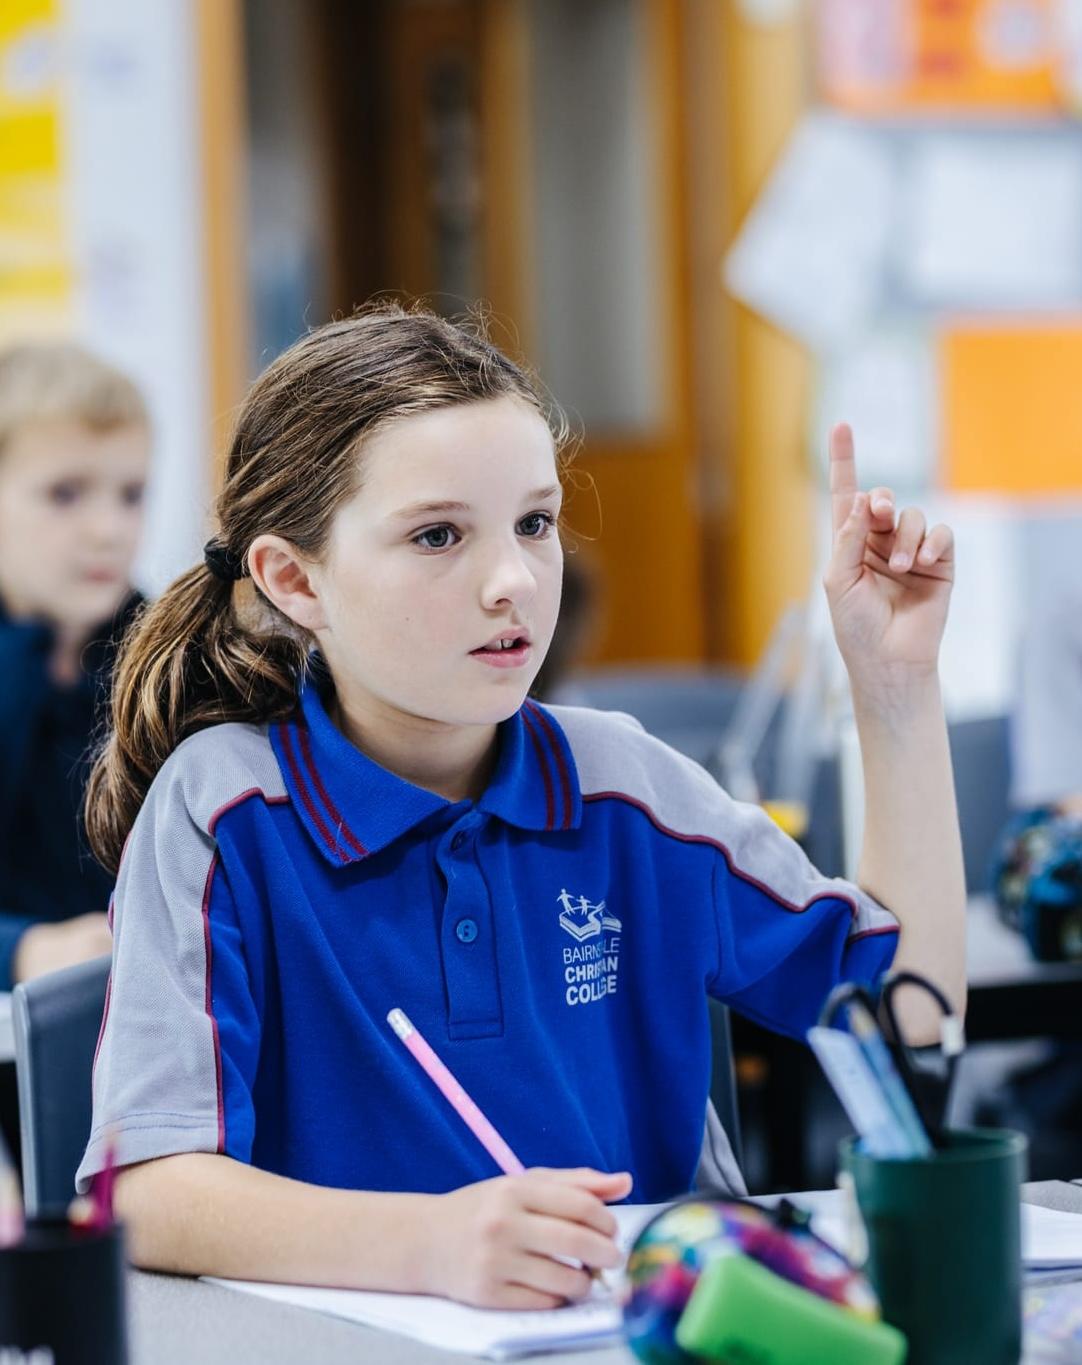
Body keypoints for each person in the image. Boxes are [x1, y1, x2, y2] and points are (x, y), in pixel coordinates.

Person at [77, 304, 964, 1309]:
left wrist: (893, 691)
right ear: (294, 579)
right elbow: (142, 1193)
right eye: (436, 535)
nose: (512, 581)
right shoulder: (225, 809)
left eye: (534, 524)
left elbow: (907, 1023)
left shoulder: (624, 785)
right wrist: (432, 1244)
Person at [0, 341, 149, 990]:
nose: (108, 530)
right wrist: (22, 949)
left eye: (131, 494)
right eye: (65, 493)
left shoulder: (172, 662)